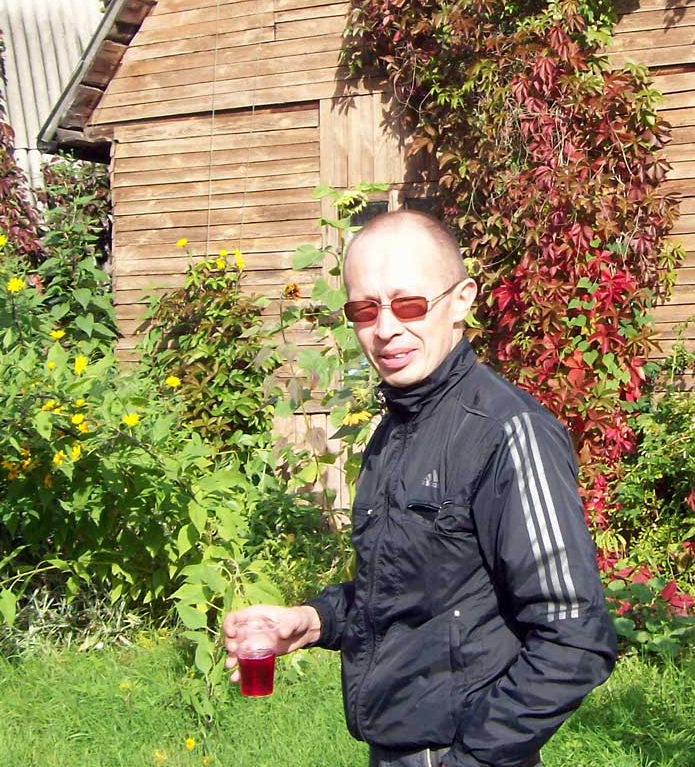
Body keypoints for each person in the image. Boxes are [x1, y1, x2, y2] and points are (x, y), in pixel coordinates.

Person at [223, 209, 616, 767]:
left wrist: (472, 758)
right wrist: (311, 621)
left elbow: (574, 637)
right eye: (364, 310)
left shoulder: (508, 432)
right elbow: (405, 594)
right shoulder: (397, 429)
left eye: (409, 304)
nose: (385, 329)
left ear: (461, 301)